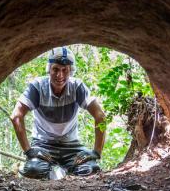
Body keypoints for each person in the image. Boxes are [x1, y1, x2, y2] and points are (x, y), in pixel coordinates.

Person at [10, 47, 106, 179]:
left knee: (91, 168)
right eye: (55, 69)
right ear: (49, 69)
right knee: (33, 170)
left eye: (64, 70)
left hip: (71, 146)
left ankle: (65, 173)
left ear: (70, 71)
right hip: (43, 144)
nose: (59, 75)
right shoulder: (37, 87)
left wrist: (96, 152)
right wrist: (29, 151)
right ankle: (52, 172)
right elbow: (16, 116)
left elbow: (100, 116)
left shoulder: (77, 87)